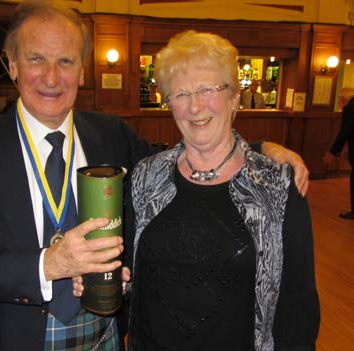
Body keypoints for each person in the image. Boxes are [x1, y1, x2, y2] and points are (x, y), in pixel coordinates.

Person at [0, 1, 308, 350]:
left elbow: (189, 155)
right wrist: (48, 265)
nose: (51, 77)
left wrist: (259, 150)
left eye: (66, 61)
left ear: (82, 71)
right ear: (13, 65)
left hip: (104, 337)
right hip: (13, 338)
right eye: (36, 59)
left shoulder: (110, 134)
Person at [125, 31, 319, 350]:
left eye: (207, 89)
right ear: (169, 103)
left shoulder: (277, 185)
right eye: (181, 94)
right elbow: (131, 277)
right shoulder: (146, 176)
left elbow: (298, 306)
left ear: (234, 98)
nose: (195, 106)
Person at [323, 87, 354, 219]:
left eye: (339, 99)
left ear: (343, 98)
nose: (339, 103)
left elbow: (345, 131)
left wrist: (333, 152)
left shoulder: (350, 108)